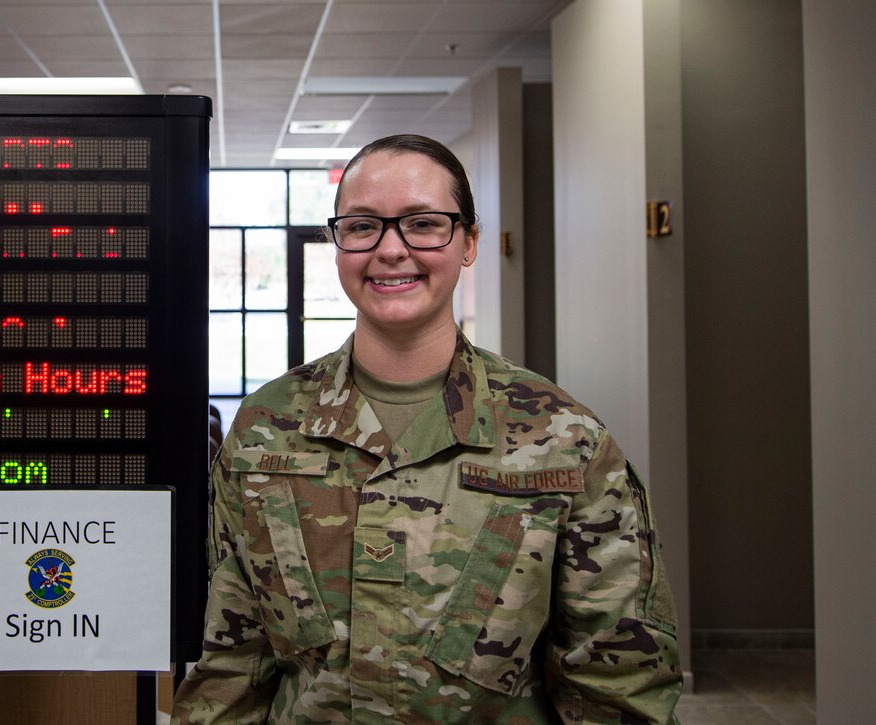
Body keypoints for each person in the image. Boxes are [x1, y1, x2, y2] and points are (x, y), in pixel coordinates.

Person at [172, 134, 682, 723]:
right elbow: (232, 668)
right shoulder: (268, 429)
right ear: (337, 244)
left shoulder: (563, 439)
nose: (391, 250)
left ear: (469, 243)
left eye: (422, 223)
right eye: (363, 226)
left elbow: (618, 684)